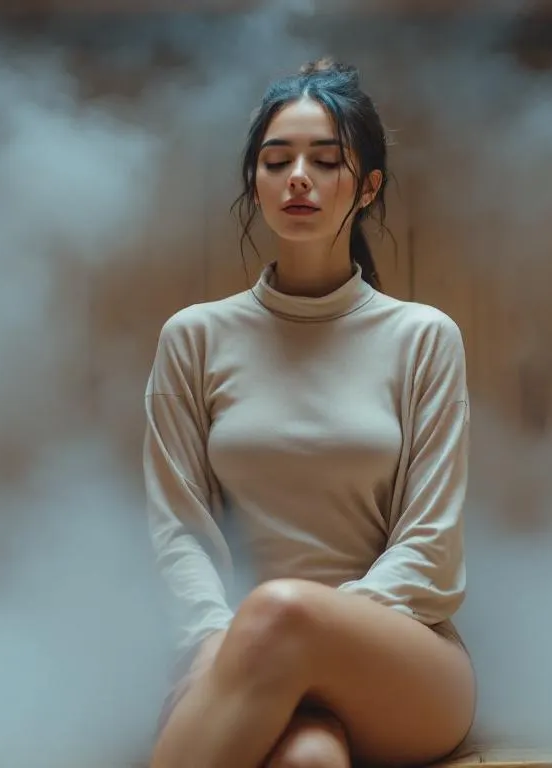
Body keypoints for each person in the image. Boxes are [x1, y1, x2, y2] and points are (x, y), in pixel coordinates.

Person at [142, 56, 475, 768]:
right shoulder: (194, 338)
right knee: (312, 762)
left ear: (368, 187)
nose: (298, 176)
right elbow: (180, 531)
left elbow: (432, 547)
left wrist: (297, 627)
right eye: (276, 160)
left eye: (326, 162)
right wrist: (220, 642)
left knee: (284, 612)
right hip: (233, 654)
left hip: (401, 659)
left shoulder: (423, 338)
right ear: (254, 183)